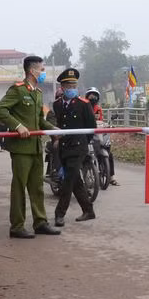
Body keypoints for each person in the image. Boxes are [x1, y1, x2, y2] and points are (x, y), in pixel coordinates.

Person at [0, 55, 61, 239]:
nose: (43, 73)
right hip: (21, 148)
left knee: (37, 186)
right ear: (32, 71)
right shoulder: (18, 90)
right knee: (19, 187)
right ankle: (17, 226)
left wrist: (53, 129)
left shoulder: (38, 93)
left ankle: (40, 222)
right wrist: (17, 126)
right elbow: (0, 110)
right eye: (41, 69)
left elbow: (39, 120)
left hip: (35, 148)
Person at [51, 68, 96, 227]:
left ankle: (59, 213)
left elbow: (91, 127)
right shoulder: (57, 104)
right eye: (68, 86)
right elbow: (54, 125)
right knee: (75, 181)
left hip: (78, 148)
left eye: (74, 85)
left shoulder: (84, 104)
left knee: (68, 181)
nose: (71, 89)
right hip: (63, 147)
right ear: (62, 87)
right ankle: (88, 210)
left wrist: (83, 142)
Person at [83, 87, 117, 185]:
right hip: (87, 134)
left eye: (95, 95)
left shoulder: (98, 108)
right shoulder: (84, 106)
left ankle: (111, 177)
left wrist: (107, 125)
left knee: (109, 154)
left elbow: (100, 121)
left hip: (98, 134)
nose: (92, 97)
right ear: (87, 96)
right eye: (90, 95)